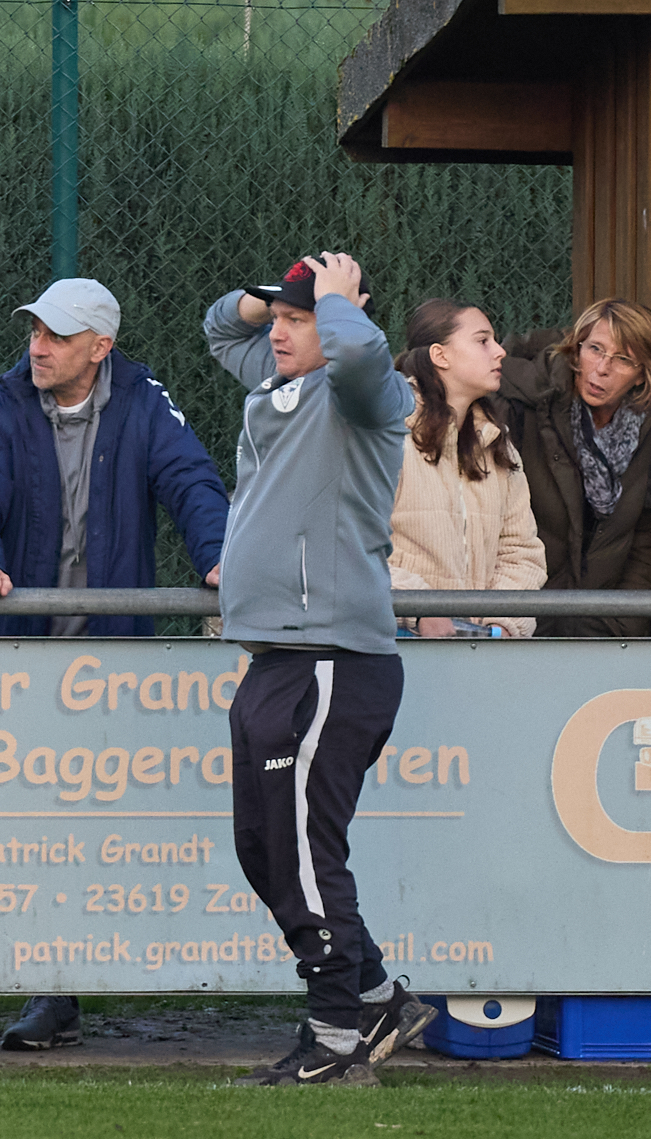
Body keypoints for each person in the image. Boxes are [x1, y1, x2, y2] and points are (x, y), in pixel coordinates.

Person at [0, 277, 228, 1049]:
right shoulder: (1, 402)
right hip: (15, 659)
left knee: (81, 834)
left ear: (101, 347)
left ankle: (55, 991)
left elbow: (191, 480)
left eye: (58, 336)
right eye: (35, 330)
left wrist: (218, 556)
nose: (38, 347)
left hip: (110, 663)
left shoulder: (143, 402)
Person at [204, 252, 437, 1087]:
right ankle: (374, 997)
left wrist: (338, 304)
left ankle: (336, 1035)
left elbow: (365, 356)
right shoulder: (280, 386)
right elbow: (219, 331)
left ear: (337, 320)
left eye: (299, 320)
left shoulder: (364, 394)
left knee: (304, 850)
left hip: (334, 656)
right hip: (276, 654)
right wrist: (267, 300)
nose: (280, 333)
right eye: (279, 319)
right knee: (264, 847)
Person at [493, 299, 651, 637]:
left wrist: (623, 623)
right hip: (525, 618)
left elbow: (646, 535)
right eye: (595, 349)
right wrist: (509, 616)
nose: (602, 368)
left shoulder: (648, 429)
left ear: (641, 376)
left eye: (623, 360)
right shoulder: (527, 406)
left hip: (603, 626)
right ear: (576, 350)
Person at [387, 299, 545, 638]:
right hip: (396, 643)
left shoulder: (498, 444)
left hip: (480, 650)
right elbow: (351, 547)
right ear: (440, 355)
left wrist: (503, 624)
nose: (500, 351)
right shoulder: (388, 437)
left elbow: (521, 551)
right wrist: (419, 609)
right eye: (482, 340)